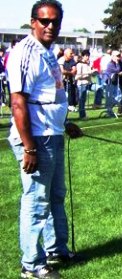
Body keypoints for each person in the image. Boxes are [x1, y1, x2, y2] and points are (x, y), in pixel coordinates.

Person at [6, 1, 84, 278]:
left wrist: (65, 123)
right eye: (44, 20)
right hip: (36, 139)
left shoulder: (49, 53)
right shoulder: (24, 52)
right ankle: (32, 264)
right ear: (33, 21)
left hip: (53, 133)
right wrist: (29, 147)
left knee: (55, 196)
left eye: (55, 21)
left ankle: (56, 249)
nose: (50, 26)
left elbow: (49, 97)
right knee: (36, 201)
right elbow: (18, 103)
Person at [75, 49, 95, 119]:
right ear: (83, 56)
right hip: (82, 84)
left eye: (88, 56)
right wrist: (88, 73)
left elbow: (90, 74)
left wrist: (94, 72)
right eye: (86, 56)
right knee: (82, 100)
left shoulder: (88, 64)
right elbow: (77, 76)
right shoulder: (79, 64)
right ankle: (82, 115)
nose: (88, 57)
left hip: (89, 83)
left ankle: (96, 104)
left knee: (99, 89)